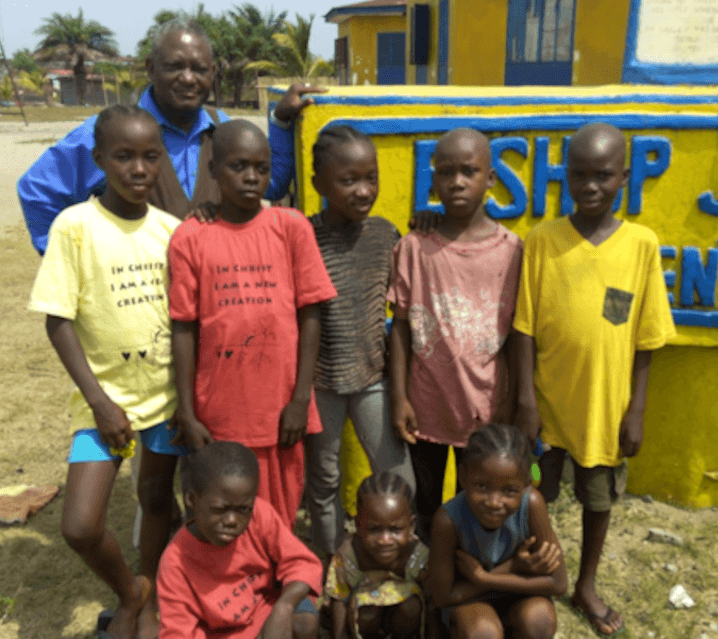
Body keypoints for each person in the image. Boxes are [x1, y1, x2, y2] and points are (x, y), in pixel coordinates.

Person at [27, 105, 186, 639]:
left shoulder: (171, 231)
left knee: (158, 499)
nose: (138, 169)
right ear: (99, 160)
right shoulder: (75, 226)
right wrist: (98, 401)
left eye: (149, 157)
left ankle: (152, 590)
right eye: (123, 156)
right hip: (104, 404)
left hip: (162, 398)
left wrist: (186, 400)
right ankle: (130, 590)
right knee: (80, 525)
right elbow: (58, 320)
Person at [513, 122, 677, 637]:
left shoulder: (641, 246)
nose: (589, 186)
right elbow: (523, 328)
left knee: (598, 502)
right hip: (547, 405)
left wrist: (637, 410)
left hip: (605, 410)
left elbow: (647, 338)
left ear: (624, 178)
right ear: (564, 177)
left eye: (602, 176)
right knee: (532, 499)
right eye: (578, 175)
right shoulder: (543, 240)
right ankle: (532, 577)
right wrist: (524, 399)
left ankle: (585, 583)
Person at [17, 16, 319, 255]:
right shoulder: (111, 132)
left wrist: (280, 121)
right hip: (140, 308)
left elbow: (270, 186)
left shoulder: (224, 131)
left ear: (213, 73)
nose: (188, 78)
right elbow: (38, 191)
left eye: (199, 69)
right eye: (175, 66)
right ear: (151, 68)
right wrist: (75, 265)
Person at [167, 120, 337, 528]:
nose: (251, 177)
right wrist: (188, 412)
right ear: (213, 169)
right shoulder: (190, 238)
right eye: (238, 166)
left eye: (261, 168)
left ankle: (278, 584)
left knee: (280, 513)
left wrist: (300, 399)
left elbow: (311, 312)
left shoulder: (290, 227)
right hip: (221, 409)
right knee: (227, 513)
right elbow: (184, 327)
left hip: (281, 408)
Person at [388, 128, 523, 540]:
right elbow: (401, 329)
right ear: (433, 181)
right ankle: (431, 583)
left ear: (491, 178)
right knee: (426, 505)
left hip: (485, 405)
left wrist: (511, 399)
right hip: (426, 404)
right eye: (446, 172)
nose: (457, 182)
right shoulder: (414, 247)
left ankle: (470, 583)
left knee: (479, 508)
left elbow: (519, 334)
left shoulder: (512, 250)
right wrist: (399, 397)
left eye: (469, 171)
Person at [306, 125, 415, 557]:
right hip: (319, 385)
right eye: (348, 180)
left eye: (370, 177)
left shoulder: (386, 236)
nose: (362, 190)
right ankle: (331, 564)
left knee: (395, 473)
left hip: (373, 378)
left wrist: (429, 222)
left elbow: (409, 292)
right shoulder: (303, 235)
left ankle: (406, 560)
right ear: (319, 184)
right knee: (324, 481)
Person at [157, 441, 322, 639]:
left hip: (269, 616)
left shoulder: (259, 515)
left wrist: (283, 608)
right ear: (192, 500)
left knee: (304, 621)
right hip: (221, 634)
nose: (232, 521)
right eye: (219, 510)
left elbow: (302, 564)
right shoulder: (175, 562)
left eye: (243, 509)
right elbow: (177, 632)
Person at [427, 423, 567, 639]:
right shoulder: (448, 520)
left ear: (526, 484)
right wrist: (513, 567)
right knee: (484, 633)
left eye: (509, 491)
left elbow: (559, 583)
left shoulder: (531, 505)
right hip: (470, 603)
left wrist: (485, 579)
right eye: (482, 487)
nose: (494, 502)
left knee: (539, 620)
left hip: (519, 594)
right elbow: (442, 597)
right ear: (463, 477)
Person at [322, 472, 429, 639]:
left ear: (412, 526)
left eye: (395, 530)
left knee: (412, 607)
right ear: (357, 525)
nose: (384, 540)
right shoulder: (350, 553)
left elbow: (433, 599)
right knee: (367, 613)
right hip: (364, 616)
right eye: (374, 529)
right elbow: (339, 598)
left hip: (403, 617)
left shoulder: (418, 555)